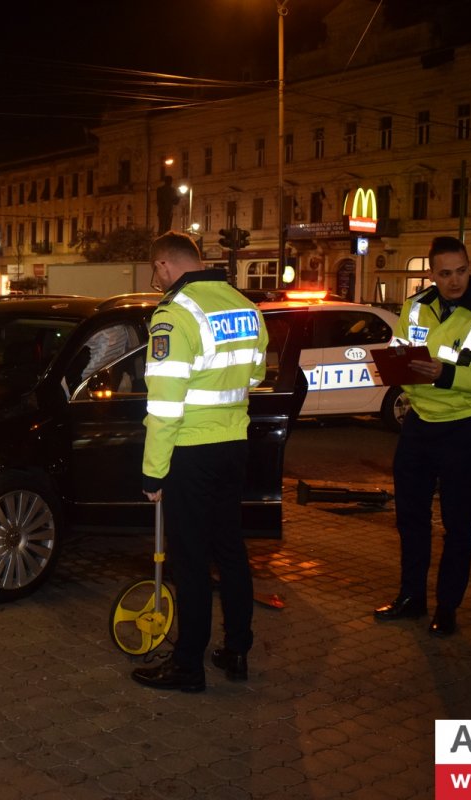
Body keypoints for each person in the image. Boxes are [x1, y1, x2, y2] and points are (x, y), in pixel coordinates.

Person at [132, 230, 268, 692]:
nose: (157, 278)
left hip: (190, 451)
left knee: (189, 562)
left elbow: (165, 406)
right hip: (234, 445)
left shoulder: (174, 315)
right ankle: (237, 651)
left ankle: (187, 666)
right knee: (230, 550)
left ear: (165, 265)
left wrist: (153, 471)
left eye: (157, 270)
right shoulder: (244, 305)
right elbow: (256, 372)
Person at [374, 236, 471, 637]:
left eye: (461, 271)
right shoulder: (416, 306)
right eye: (445, 273)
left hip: (460, 429)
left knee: (458, 524)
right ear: (432, 274)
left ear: (470, 268)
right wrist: (390, 365)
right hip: (417, 425)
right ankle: (411, 598)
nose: (455, 281)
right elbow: (399, 348)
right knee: (410, 519)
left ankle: (448, 607)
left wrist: (446, 374)